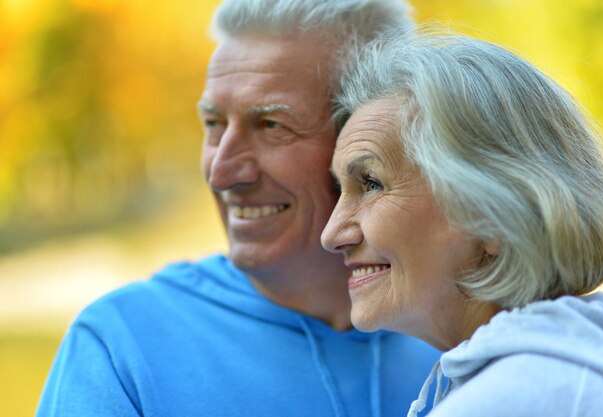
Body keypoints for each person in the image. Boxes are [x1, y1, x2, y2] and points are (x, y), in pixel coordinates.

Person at [36, 2, 442, 417]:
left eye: (271, 125)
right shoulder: (122, 347)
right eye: (213, 125)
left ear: (369, 142)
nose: (222, 173)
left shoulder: (467, 333)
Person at [322, 28, 603, 417]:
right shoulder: (580, 359)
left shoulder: (518, 397)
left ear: (494, 215)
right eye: (340, 189)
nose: (332, 235)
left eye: (371, 183)